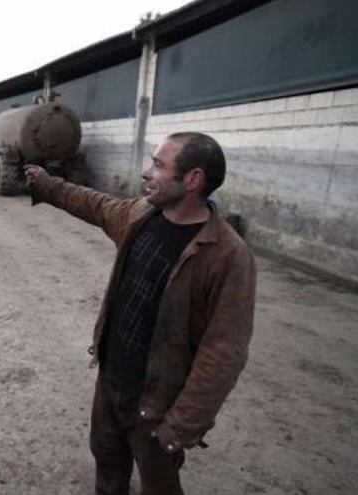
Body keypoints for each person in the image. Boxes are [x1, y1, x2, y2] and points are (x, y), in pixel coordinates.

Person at [24, 132, 256, 495]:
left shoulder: (228, 257)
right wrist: (47, 184)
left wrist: (182, 424)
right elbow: (94, 204)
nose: (147, 173)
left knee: (159, 484)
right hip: (111, 380)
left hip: (158, 404)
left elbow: (224, 353)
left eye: (159, 165)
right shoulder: (141, 216)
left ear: (193, 179)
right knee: (107, 462)